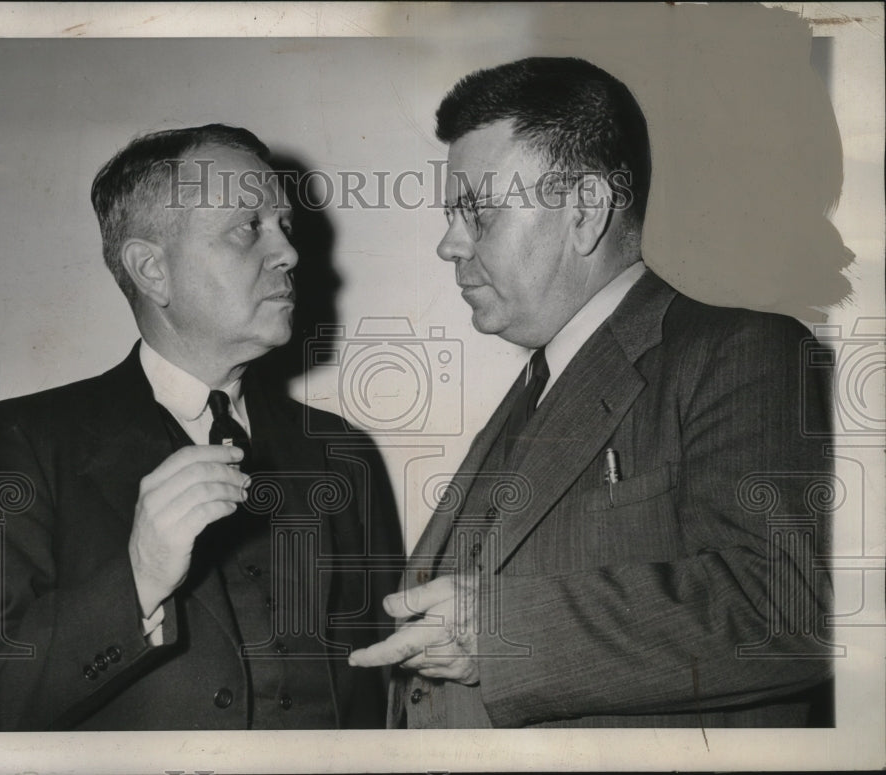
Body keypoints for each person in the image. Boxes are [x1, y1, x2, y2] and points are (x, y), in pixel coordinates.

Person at [350, 57, 835, 728]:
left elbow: (788, 607)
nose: (449, 245)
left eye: (478, 213)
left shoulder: (743, 351)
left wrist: (497, 629)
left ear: (585, 210)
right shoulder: (537, 387)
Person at [0, 123, 403, 731]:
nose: (288, 252)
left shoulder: (342, 451)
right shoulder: (26, 439)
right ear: (152, 270)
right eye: (247, 227)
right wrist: (139, 577)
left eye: (283, 225)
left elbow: (387, 686)